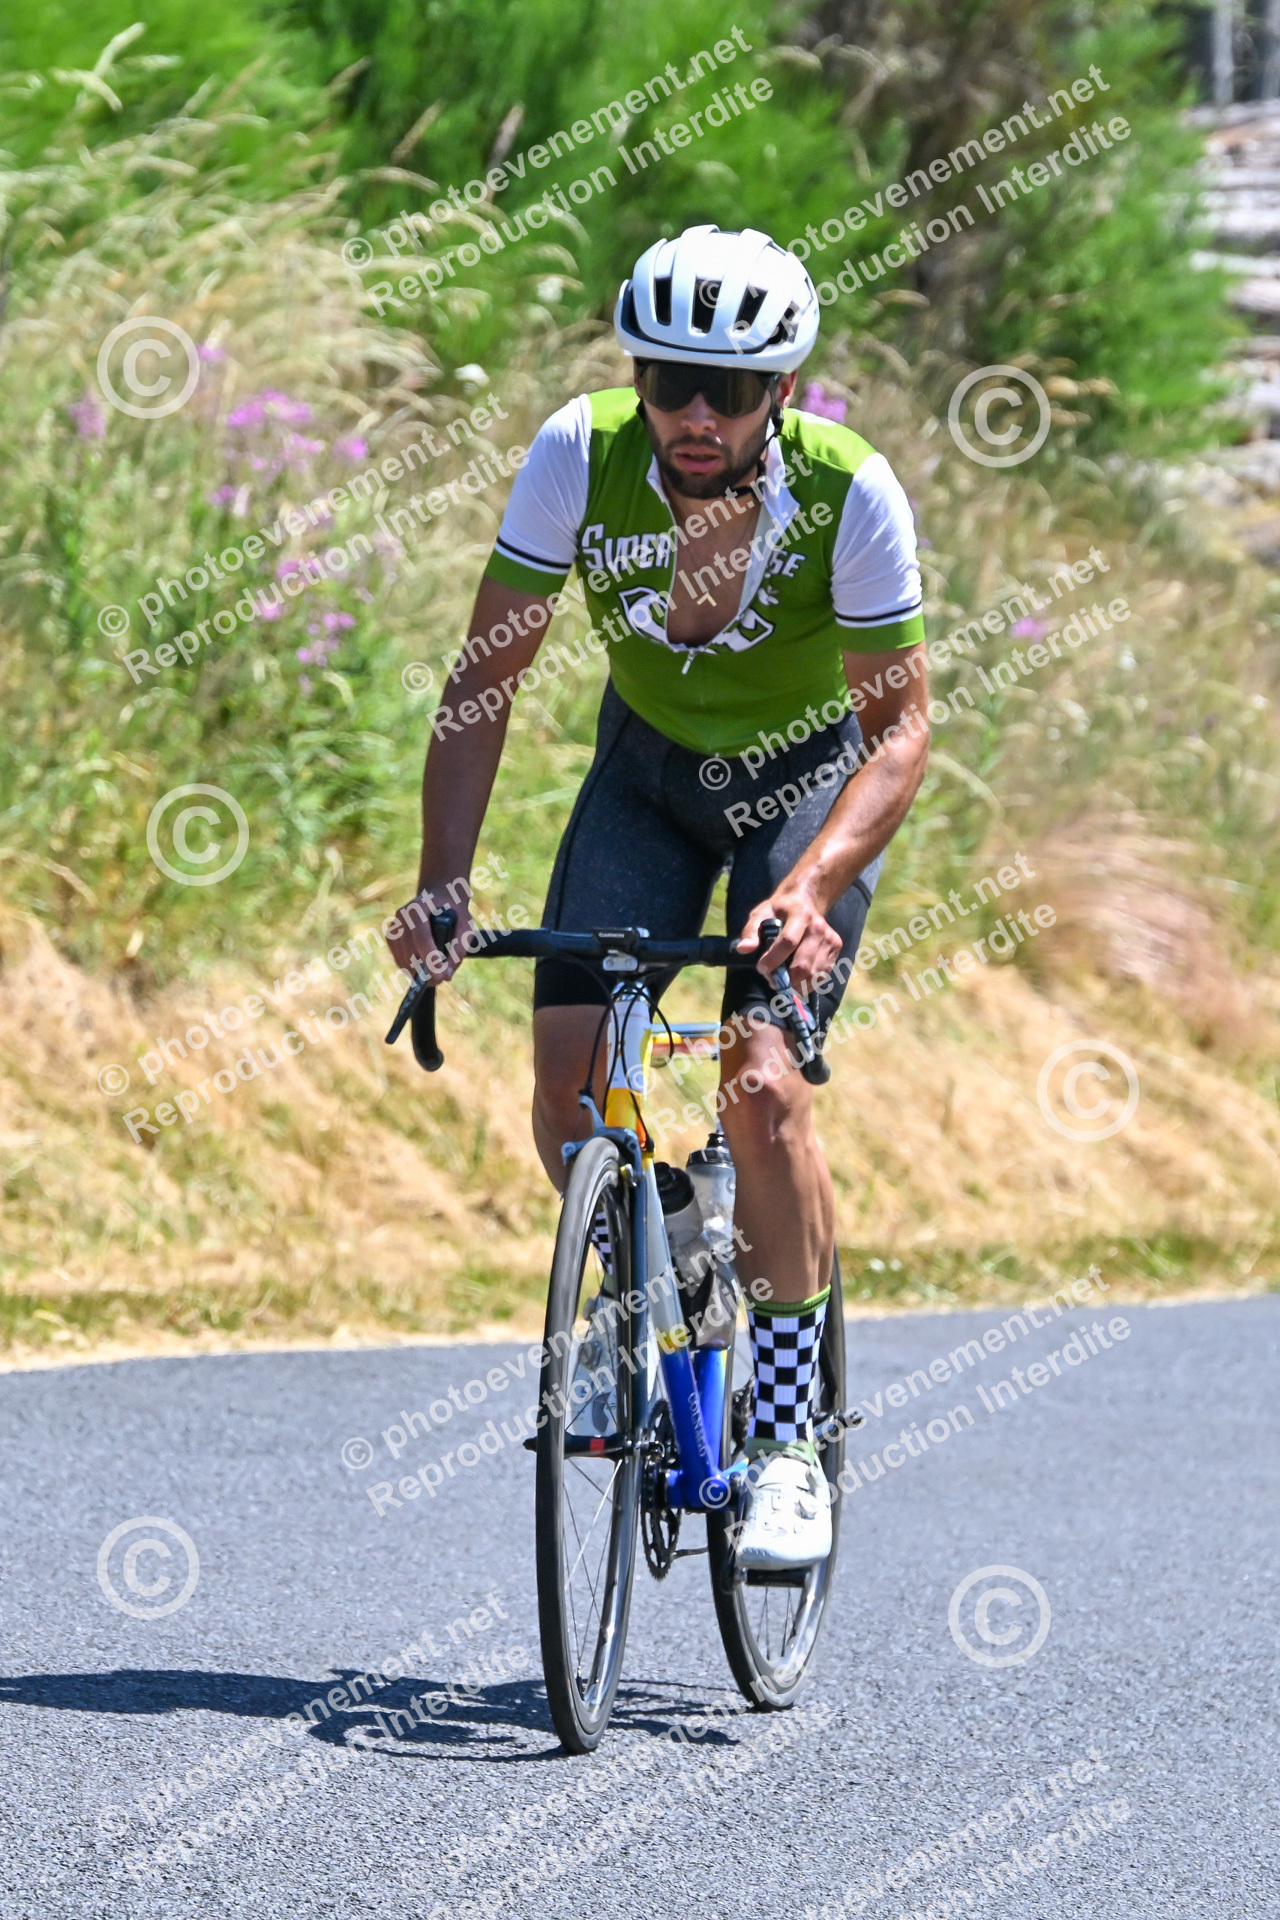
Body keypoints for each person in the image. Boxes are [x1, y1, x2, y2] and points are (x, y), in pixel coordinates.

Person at [388, 225, 929, 1567]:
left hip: (802, 787)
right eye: (669, 381)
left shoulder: (850, 492)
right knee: (569, 1088)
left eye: (727, 390)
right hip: (646, 776)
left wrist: (812, 888)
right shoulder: (579, 456)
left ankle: (788, 1441)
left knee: (760, 1082)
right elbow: (485, 680)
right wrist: (442, 883)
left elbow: (901, 731)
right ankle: (661, 1256)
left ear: (780, 391)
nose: (695, 415)